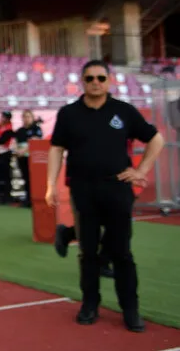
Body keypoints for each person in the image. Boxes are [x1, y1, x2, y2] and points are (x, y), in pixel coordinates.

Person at [46, 60, 164, 333]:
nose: (95, 82)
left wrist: (140, 170)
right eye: (90, 78)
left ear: (109, 81)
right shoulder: (69, 113)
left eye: (101, 78)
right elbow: (55, 149)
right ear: (82, 82)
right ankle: (90, 304)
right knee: (87, 251)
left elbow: (154, 139)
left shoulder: (124, 111)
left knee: (122, 251)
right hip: (83, 189)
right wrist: (50, 185)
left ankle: (130, 309)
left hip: (117, 189)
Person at [14, 110, 43, 207]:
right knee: (25, 178)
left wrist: (24, 150)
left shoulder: (36, 129)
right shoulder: (19, 131)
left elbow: (35, 140)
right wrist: (17, 151)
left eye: (28, 117)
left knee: (33, 179)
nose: (26, 119)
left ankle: (35, 199)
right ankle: (27, 199)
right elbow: (15, 142)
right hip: (22, 158)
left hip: (32, 158)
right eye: (25, 117)